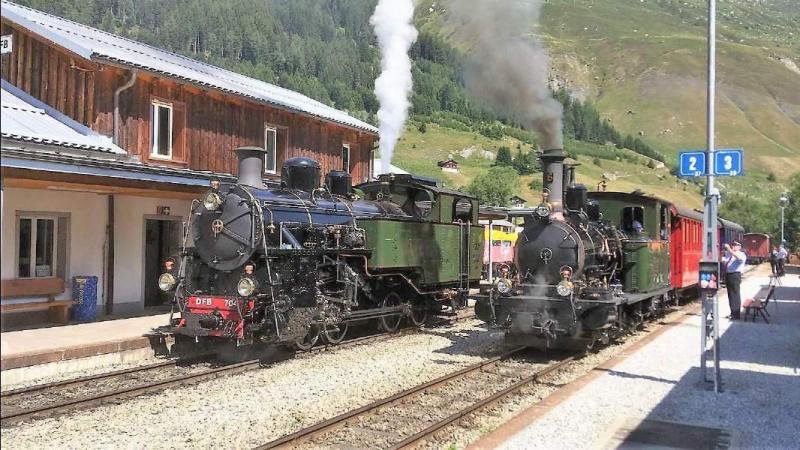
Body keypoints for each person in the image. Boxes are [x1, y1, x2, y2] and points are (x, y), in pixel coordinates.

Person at [724, 241, 747, 320]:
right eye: (732, 245)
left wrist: (729, 250)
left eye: (735, 245)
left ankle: (736, 314)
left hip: (735, 275)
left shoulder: (741, 254)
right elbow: (724, 261)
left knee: (735, 294)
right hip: (728, 275)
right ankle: (732, 312)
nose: (733, 246)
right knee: (730, 294)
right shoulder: (729, 254)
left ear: (739, 247)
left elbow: (739, 258)